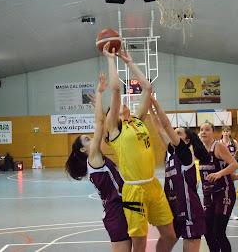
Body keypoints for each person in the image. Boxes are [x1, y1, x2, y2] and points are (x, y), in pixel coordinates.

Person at [104, 43, 176, 252]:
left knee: (170, 236)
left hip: (152, 185)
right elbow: (116, 89)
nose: (123, 105)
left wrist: (130, 63)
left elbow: (148, 87)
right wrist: (110, 58)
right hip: (134, 189)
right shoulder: (115, 130)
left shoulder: (137, 120)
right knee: (140, 243)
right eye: (116, 108)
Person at [65, 73, 131, 252]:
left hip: (122, 206)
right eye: (87, 140)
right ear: (83, 150)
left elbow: (105, 124)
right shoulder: (94, 158)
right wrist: (100, 92)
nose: (91, 140)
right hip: (115, 211)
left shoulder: (97, 157)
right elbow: (99, 123)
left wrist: (99, 106)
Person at [150, 96, 205, 252]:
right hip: (171, 207)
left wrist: (155, 102)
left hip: (189, 208)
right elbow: (159, 128)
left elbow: (165, 125)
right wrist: (148, 108)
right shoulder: (170, 154)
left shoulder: (186, 155)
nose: (173, 134)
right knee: (164, 243)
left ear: (186, 140)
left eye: (178, 133)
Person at [192, 122, 238, 252]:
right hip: (208, 195)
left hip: (224, 192)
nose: (203, 132)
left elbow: (234, 165)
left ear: (213, 132)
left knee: (218, 231)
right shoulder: (198, 150)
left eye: (207, 129)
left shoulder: (218, 147)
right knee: (207, 231)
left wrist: (219, 173)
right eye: (201, 130)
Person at [219, 126, 238, 221]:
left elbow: (237, 155)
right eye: (224, 131)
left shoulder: (233, 142)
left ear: (230, 132)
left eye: (227, 131)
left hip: (231, 169)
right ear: (222, 133)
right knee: (222, 190)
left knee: (230, 190)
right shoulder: (219, 143)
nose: (226, 133)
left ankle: (231, 212)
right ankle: (221, 211)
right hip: (222, 169)